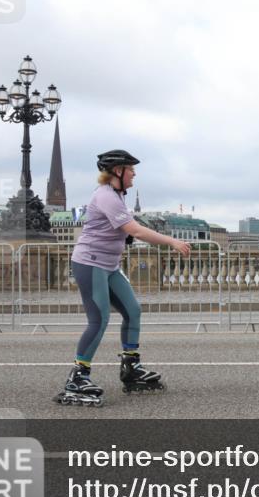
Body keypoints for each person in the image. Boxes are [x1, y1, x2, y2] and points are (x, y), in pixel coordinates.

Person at [55, 149, 191, 406]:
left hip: (110, 266)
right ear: (118, 171)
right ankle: (77, 377)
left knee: (133, 310)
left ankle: (131, 366)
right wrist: (172, 241)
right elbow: (135, 230)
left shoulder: (117, 197)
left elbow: (124, 229)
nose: (134, 175)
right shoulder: (106, 196)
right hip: (90, 263)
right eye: (131, 170)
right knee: (99, 319)